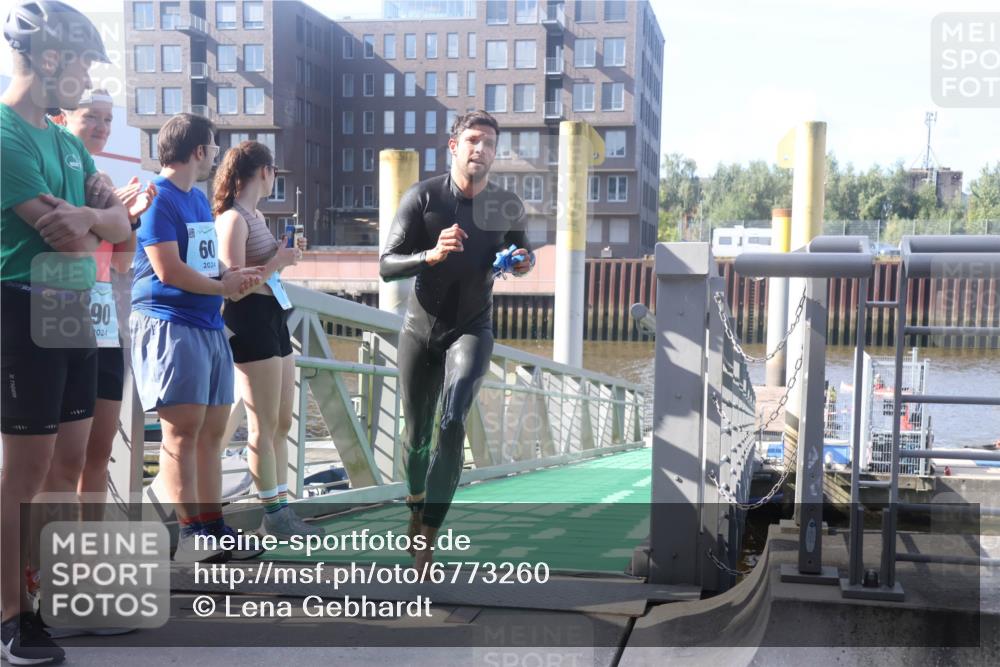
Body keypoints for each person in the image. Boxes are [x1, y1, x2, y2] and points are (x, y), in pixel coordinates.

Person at [1, 2, 131, 663]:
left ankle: (51, 593)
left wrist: (88, 217)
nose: (86, 74)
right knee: (25, 471)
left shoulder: (66, 141)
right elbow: (64, 233)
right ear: (49, 58)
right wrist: (91, 218)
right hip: (24, 302)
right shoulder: (5, 134)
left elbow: (119, 228)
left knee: (69, 464)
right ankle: (11, 616)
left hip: (75, 305)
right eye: (80, 61)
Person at [379, 111, 535, 571]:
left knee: (451, 422)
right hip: (421, 330)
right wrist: (430, 254)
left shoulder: (506, 205)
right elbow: (386, 265)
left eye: (489, 143)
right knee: (417, 438)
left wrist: (522, 261)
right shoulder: (424, 198)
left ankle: (429, 535)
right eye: (472, 140)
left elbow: (522, 253)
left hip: (473, 327)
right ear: (454, 146)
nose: (480, 149)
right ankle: (415, 503)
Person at [130, 113, 264, 564]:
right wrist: (222, 287)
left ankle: (214, 528)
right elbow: (168, 270)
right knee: (183, 433)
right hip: (170, 322)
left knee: (211, 434)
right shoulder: (158, 198)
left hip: (206, 324)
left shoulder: (197, 200)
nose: (215, 158)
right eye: (213, 148)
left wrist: (232, 275)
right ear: (199, 150)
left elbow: (204, 262)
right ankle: (191, 537)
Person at [213, 141, 322, 537]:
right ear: (264, 171)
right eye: (273, 170)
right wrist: (277, 261)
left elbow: (262, 274)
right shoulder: (232, 219)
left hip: (274, 315)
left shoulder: (256, 215)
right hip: (249, 319)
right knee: (262, 423)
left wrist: (283, 258)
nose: (274, 176)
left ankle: (282, 511)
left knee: (282, 421)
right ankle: (273, 516)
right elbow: (233, 287)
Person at [56, 89, 157, 516]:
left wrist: (128, 219)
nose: (101, 127)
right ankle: (46, 549)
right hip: (59, 314)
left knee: (98, 452)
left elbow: (122, 263)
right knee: (61, 459)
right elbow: (67, 244)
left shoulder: (103, 180)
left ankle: (89, 546)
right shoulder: (55, 172)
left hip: (103, 323)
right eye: (91, 117)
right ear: (63, 119)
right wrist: (108, 216)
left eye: (108, 119)